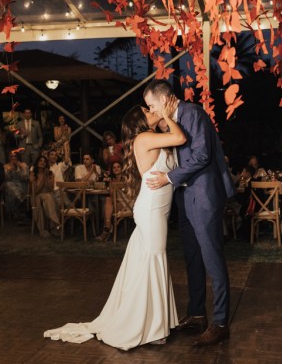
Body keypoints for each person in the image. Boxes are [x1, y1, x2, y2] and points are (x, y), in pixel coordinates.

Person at [44, 101, 185, 349]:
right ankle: (152, 328)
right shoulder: (143, 138)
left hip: (156, 208)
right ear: (138, 122)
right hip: (151, 209)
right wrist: (166, 114)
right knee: (154, 260)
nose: (152, 111)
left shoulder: (151, 137)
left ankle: (154, 322)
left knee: (148, 262)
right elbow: (180, 137)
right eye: (146, 111)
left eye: (151, 108)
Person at [143, 80, 235, 346]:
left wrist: (168, 178)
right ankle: (196, 313)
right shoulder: (172, 119)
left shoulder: (193, 113)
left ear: (163, 99)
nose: (151, 110)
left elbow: (203, 155)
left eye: (151, 105)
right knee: (193, 257)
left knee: (211, 258)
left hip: (204, 196)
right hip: (186, 196)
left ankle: (219, 322)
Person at [95, 161, 131, 241]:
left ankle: (106, 230)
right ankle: (107, 227)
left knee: (107, 207)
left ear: (122, 168)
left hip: (127, 203)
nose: (116, 169)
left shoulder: (126, 179)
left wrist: (119, 186)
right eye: (114, 167)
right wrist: (111, 185)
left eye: (118, 167)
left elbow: (128, 193)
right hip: (116, 202)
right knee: (108, 200)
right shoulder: (112, 181)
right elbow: (112, 195)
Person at [29, 155, 60, 237]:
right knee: (45, 198)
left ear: (46, 164)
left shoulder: (50, 174)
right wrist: (43, 178)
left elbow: (50, 188)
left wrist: (47, 176)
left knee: (48, 197)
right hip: (36, 196)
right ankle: (56, 224)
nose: (42, 163)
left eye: (44, 161)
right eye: (40, 161)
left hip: (48, 194)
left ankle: (53, 226)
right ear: (37, 163)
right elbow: (36, 191)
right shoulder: (33, 174)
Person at [3, 151, 29, 221]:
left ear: (18, 157)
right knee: (9, 185)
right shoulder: (6, 166)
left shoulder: (23, 165)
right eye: (11, 156)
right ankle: (20, 204)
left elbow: (25, 177)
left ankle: (20, 210)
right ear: (9, 158)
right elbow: (6, 178)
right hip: (11, 186)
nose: (13, 158)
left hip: (22, 185)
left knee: (18, 189)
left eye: (15, 156)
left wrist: (20, 168)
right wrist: (10, 170)